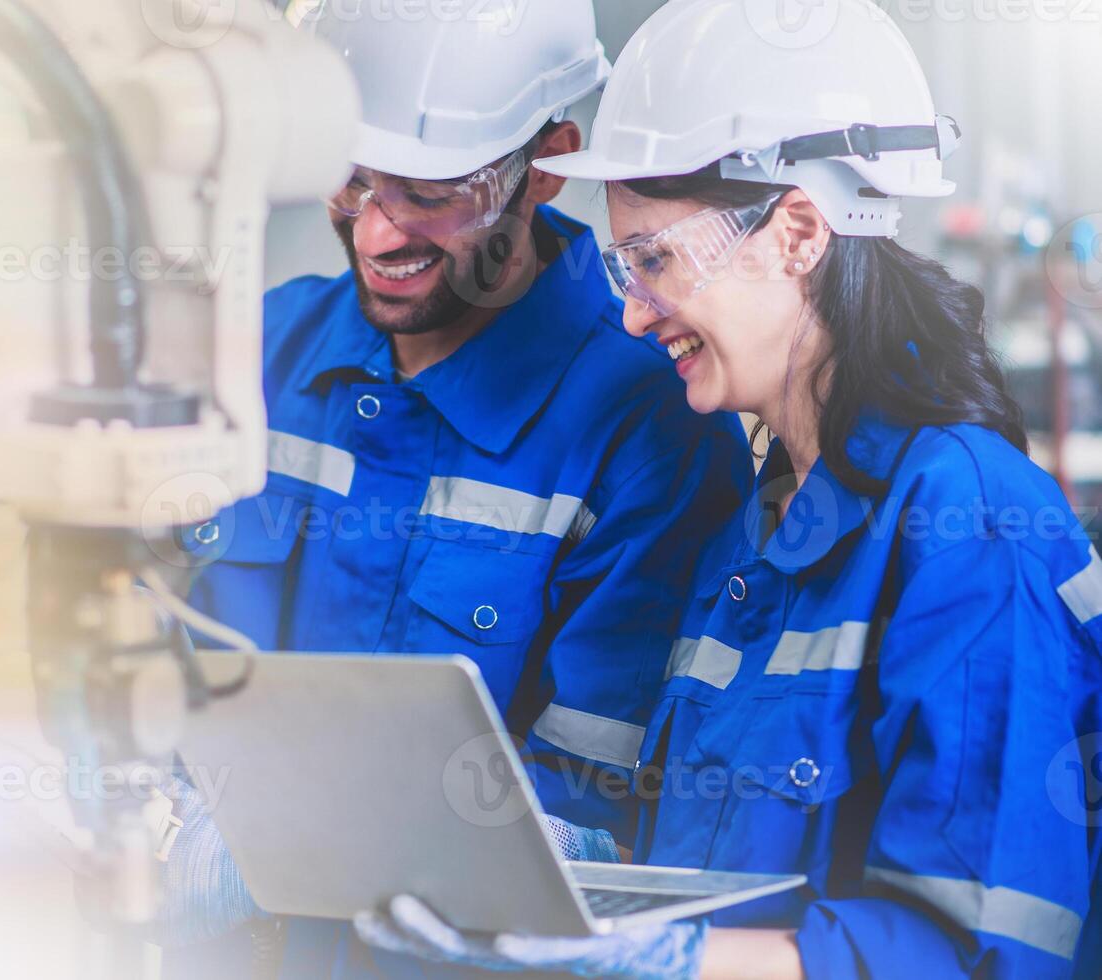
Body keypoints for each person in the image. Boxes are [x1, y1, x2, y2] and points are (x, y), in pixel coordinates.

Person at [351, 1, 1102, 976]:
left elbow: (974, 952)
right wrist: (558, 876)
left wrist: (664, 957)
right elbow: (718, 866)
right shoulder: (753, 537)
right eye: (623, 264)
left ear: (795, 232)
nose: (629, 313)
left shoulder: (970, 525)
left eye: (654, 260)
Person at [146, 1, 751, 974]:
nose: (377, 231)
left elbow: (603, 811)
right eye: (351, 178)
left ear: (546, 163)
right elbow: (137, 656)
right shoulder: (258, 353)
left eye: (430, 190)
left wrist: (319, 849)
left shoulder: (653, 430)